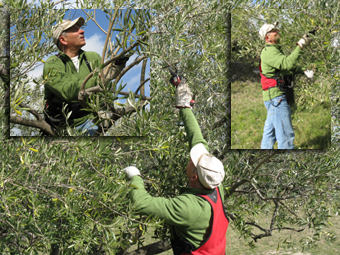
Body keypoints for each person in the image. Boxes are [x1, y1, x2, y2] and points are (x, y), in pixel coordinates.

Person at [122, 77, 229, 255]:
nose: (190, 158)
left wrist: (135, 176)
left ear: (194, 176)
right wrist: (185, 108)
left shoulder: (187, 207)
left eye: (191, 161)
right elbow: (197, 140)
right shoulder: (215, 185)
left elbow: (141, 203)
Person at [43, 17, 128, 136]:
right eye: (75, 30)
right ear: (63, 39)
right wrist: (102, 78)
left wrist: (107, 111)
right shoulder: (52, 63)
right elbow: (68, 91)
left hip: (90, 121)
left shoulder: (93, 57)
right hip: (62, 127)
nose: (82, 31)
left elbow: (104, 91)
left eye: (80, 29)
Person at [259, 22, 314, 149]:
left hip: (273, 98)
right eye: (274, 30)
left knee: (269, 135)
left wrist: (304, 71)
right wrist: (300, 46)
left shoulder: (274, 51)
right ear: (267, 38)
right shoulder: (269, 52)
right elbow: (287, 64)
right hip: (276, 99)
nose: (277, 31)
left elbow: (286, 67)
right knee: (286, 136)